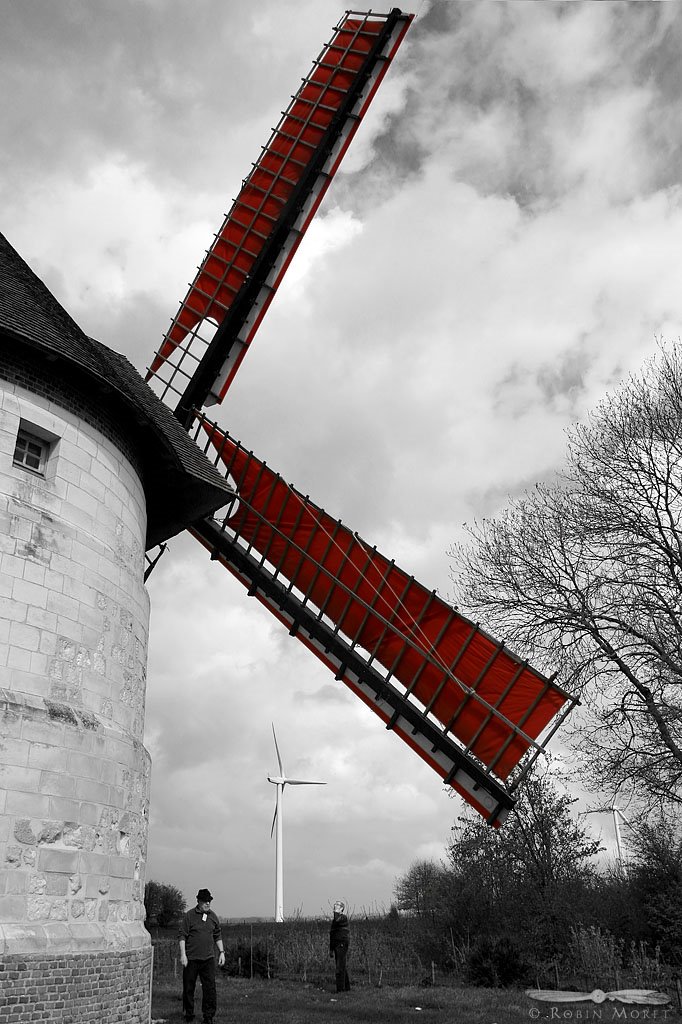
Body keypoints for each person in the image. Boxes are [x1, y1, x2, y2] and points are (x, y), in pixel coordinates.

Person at [178, 887, 226, 1024]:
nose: (208, 904)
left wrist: (222, 952)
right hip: (191, 959)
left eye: (209, 901)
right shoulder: (189, 916)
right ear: (198, 901)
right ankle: (189, 1014)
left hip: (208, 959)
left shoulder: (213, 917)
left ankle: (208, 1016)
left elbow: (218, 935)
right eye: (205, 901)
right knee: (188, 987)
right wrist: (183, 955)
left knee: (210, 988)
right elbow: (182, 935)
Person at [329, 899, 351, 992]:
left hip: (342, 944)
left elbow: (338, 920)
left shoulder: (343, 918)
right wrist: (331, 949)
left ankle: (340, 990)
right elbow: (332, 934)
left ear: (342, 909)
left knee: (339, 967)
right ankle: (346, 988)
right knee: (342, 966)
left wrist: (336, 912)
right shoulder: (334, 920)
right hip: (336, 945)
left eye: (337, 905)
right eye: (335, 904)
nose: (335, 906)